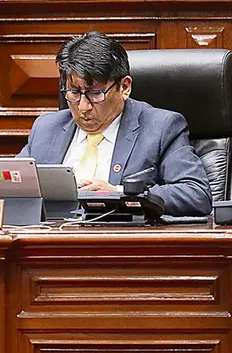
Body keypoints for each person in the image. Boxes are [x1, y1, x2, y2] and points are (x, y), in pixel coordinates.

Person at [19, 32, 211, 217]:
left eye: (95, 93)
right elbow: (8, 186)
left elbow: (195, 193)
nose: (83, 107)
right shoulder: (46, 129)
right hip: (51, 240)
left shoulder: (161, 128)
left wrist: (119, 194)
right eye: (74, 93)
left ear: (125, 87)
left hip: (121, 243)